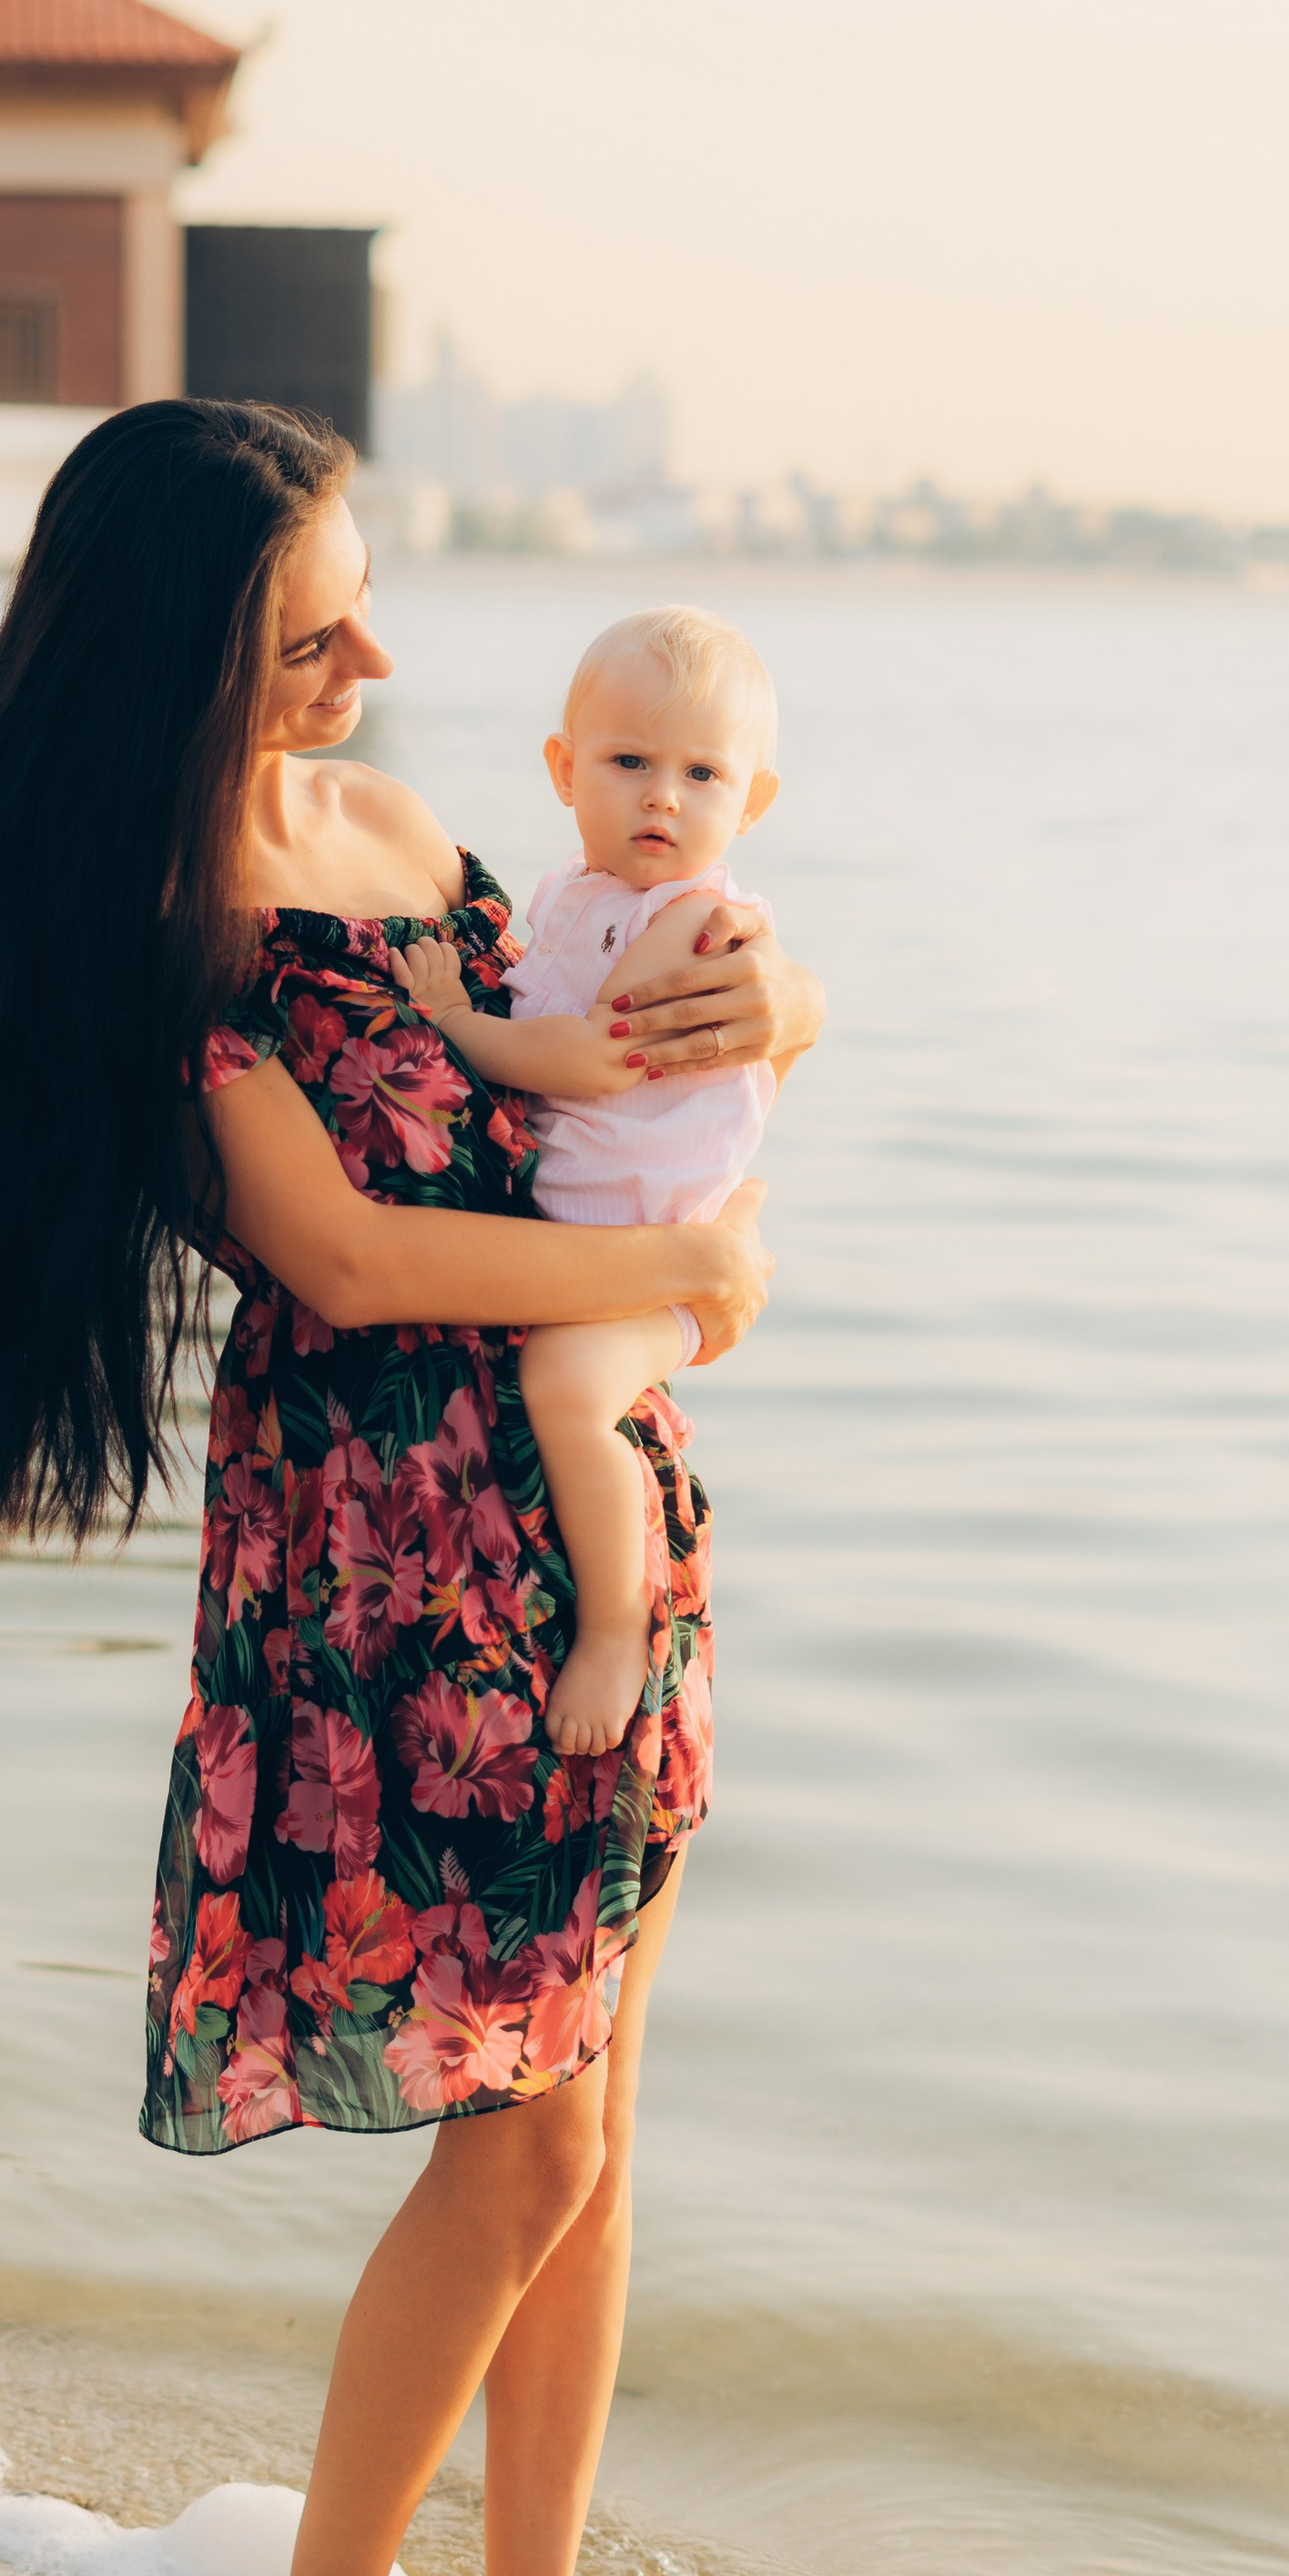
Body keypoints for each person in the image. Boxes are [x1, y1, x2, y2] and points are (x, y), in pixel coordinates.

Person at [0, 401, 825, 2576]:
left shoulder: (411, 836)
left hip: (587, 1494)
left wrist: (777, 1009)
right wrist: (689, 1270)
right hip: (392, 1556)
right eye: (323, 626)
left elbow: (601, 1047)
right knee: (518, 2144)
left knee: (594, 2115)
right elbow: (343, 1251)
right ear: (201, 639)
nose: (380, 658)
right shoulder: (139, 906)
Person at [394, 606, 784, 1757]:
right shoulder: (570, 897)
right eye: (628, 763)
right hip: (590, 1239)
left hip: (647, 1254)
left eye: (701, 773)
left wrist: (451, 1021)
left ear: (750, 802)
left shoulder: (697, 921)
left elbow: (594, 1059)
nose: (663, 797)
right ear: (565, 773)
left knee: (566, 1386)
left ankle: (615, 1626)